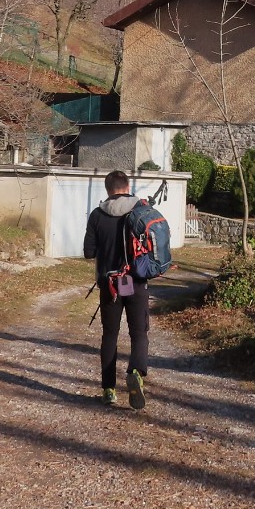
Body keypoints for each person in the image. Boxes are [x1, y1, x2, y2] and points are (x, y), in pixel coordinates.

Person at [83, 170, 149, 409]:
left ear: (107, 189)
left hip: (110, 285)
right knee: (139, 333)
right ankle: (136, 372)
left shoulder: (97, 215)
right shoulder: (141, 211)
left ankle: (109, 389)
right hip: (137, 282)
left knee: (110, 335)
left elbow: (89, 251)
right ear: (127, 185)